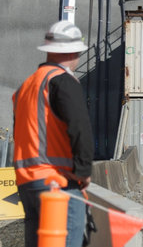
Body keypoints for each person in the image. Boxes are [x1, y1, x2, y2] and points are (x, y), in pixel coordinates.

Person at [12, 20, 94, 247]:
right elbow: (80, 127)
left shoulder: (26, 86)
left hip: (27, 183)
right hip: (56, 183)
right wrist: (83, 171)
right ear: (75, 51)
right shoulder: (62, 81)